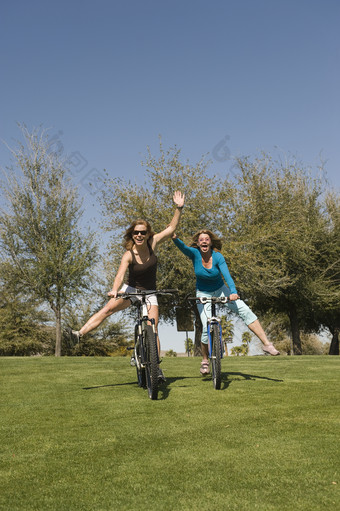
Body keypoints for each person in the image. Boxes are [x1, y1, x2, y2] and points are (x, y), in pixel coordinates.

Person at [69, 191, 185, 381]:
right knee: (108, 309)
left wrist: (178, 208)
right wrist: (115, 290)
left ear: (147, 234)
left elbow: (172, 228)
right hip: (131, 290)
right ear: (132, 234)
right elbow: (120, 275)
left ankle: (155, 367)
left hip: (150, 293)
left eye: (143, 232)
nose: (139, 235)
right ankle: (79, 333)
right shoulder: (128, 254)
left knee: (153, 328)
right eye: (136, 232)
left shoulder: (152, 243)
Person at [172, 229, 279, 374]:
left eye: (207, 239)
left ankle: (266, 344)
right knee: (205, 327)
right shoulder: (194, 254)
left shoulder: (218, 257)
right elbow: (183, 247)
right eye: (201, 239)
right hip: (203, 293)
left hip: (221, 289)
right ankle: (204, 360)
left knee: (245, 310)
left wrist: (233, 292)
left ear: (210, 242)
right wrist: (174, 238)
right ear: (197, 243)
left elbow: (227, 275)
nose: (204, 241)